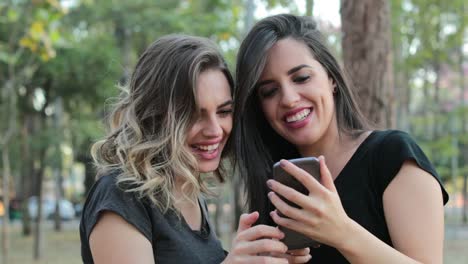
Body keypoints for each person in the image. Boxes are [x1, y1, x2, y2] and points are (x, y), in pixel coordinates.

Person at [234, 14, 449, 263]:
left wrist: (341, 232)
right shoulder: (276, 185)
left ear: (331, 79)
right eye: (269, 91)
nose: (289, 99)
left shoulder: (392, 157)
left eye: (302, 78)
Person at [79, 34, 311, 264]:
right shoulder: (121, 195)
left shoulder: (188, 192)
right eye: (194, 114)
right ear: (154, 115)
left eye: (223, 112)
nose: (215, 130)